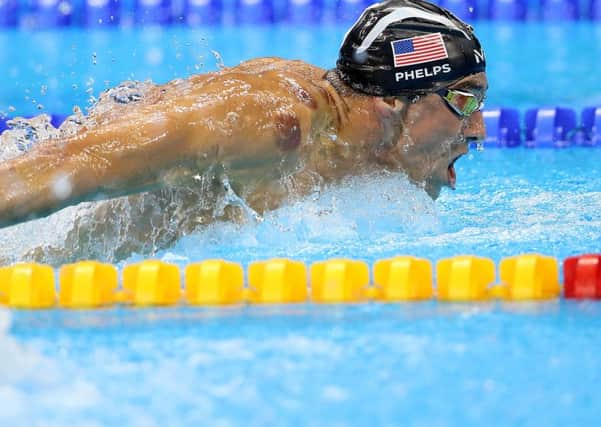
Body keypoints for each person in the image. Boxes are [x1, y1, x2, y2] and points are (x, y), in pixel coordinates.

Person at [0, 0, 487, 260]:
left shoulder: (353, 148)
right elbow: (63, 168)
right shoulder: (268, 124)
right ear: (392, 102)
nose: (479, 130)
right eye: (465, 100)